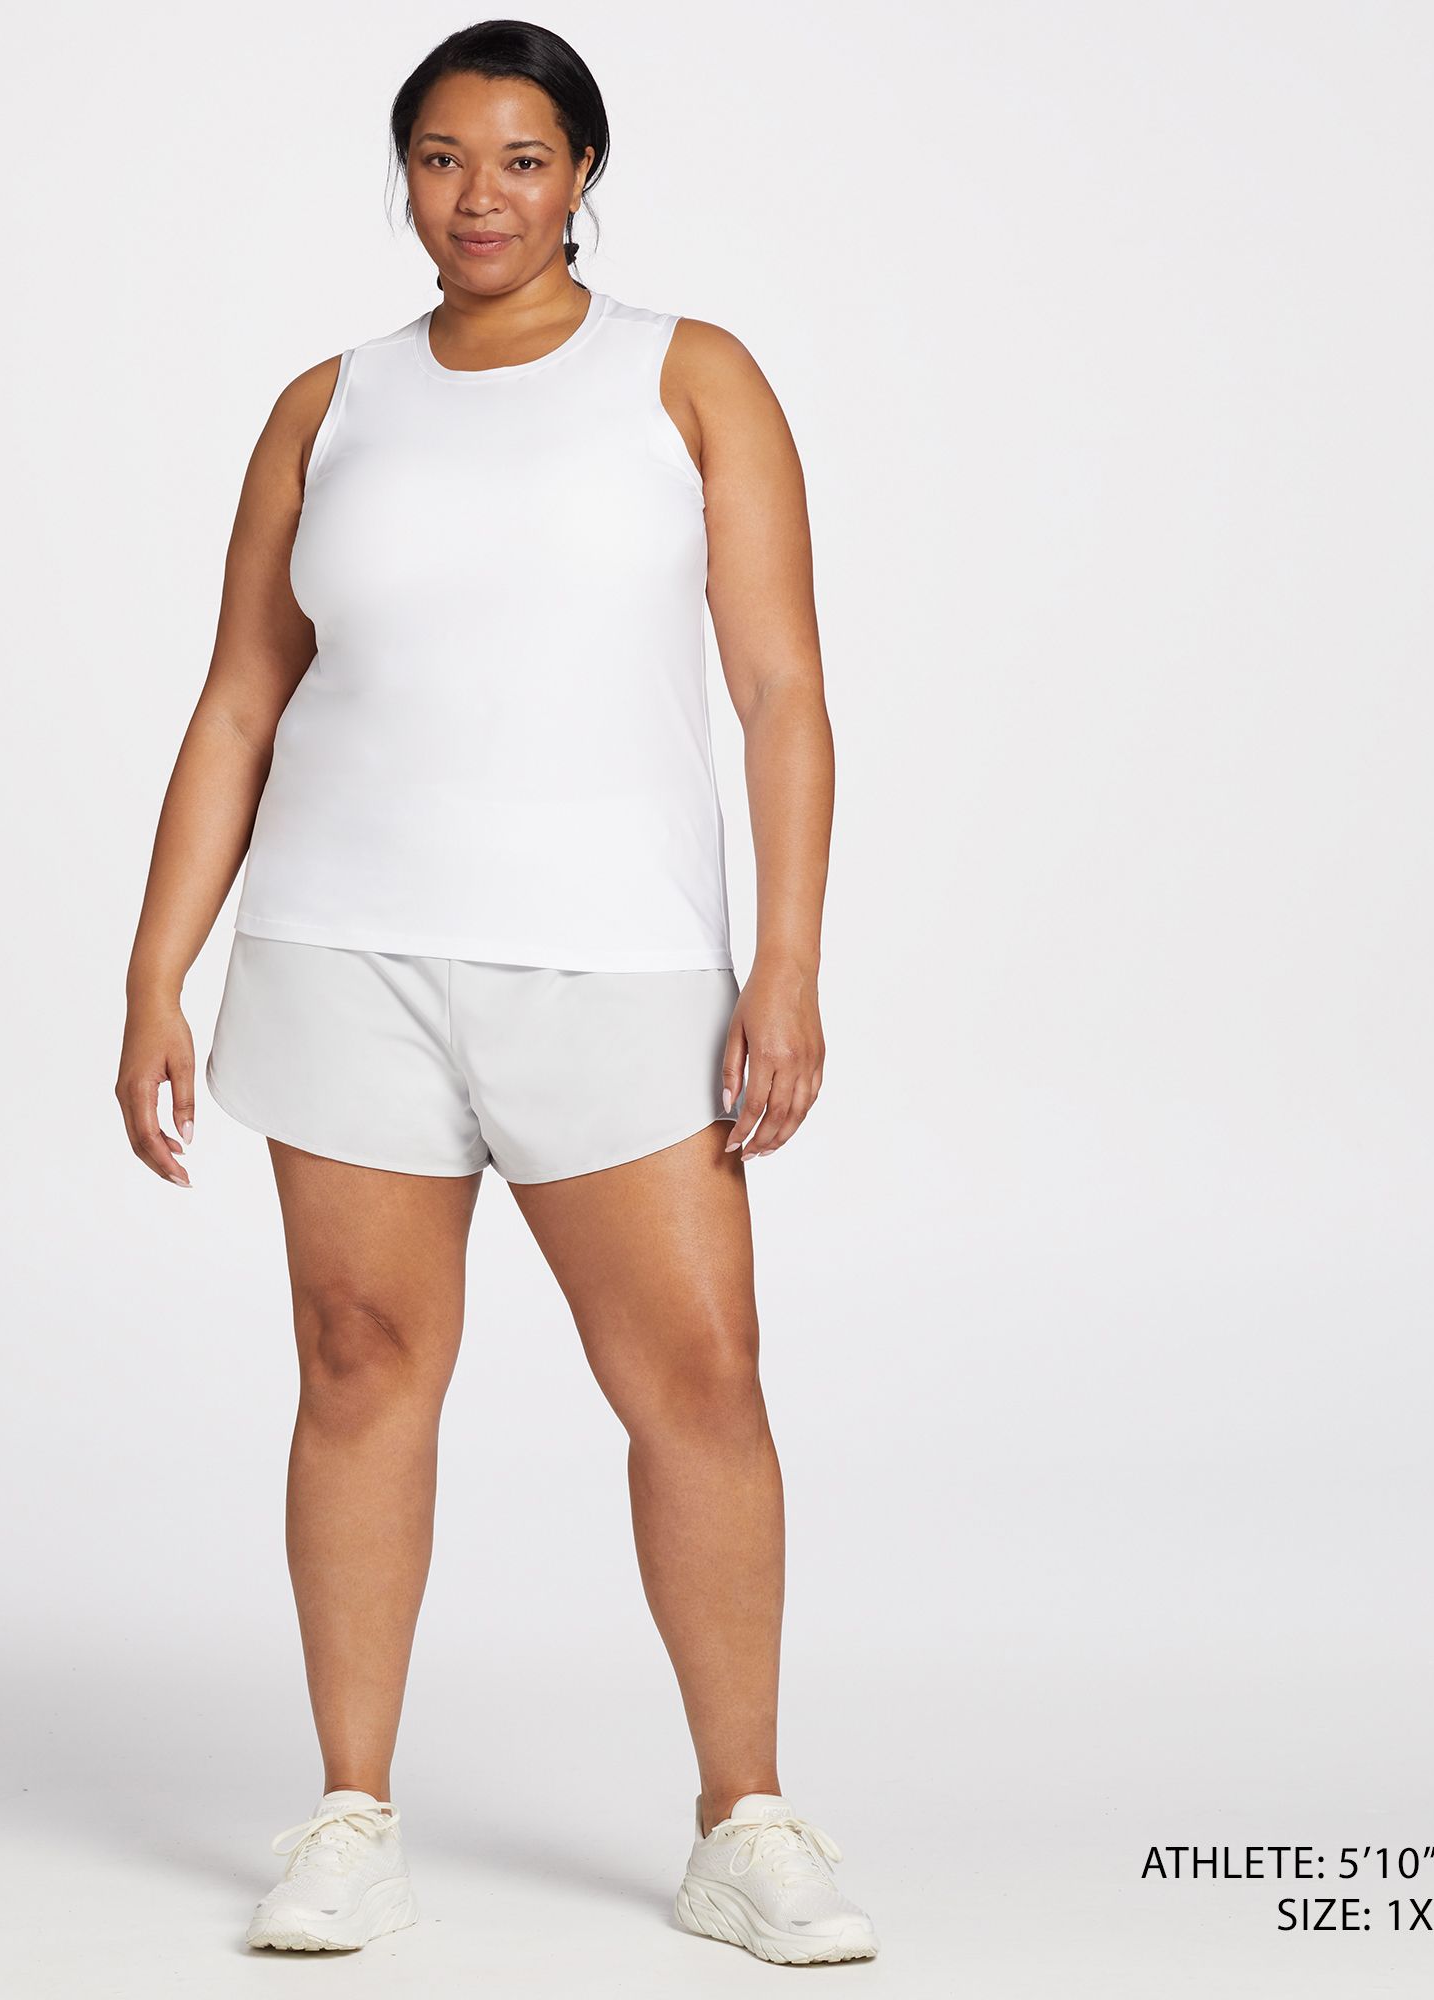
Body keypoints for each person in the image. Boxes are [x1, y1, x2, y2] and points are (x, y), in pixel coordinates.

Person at [116, 19, 880, 1970]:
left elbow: (779, 687)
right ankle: (350, 1816)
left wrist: (787, 962)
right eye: (443, 158)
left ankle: (745, 1821)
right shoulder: (330, 404)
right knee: (359, 1366)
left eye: (522, 159)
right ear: (405, 176)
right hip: (342, 948)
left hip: (616, 961)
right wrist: (154, 971)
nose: (479, 197)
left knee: (696, 1380)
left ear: (582, 175)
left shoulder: (687, 377)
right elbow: (239, 700)